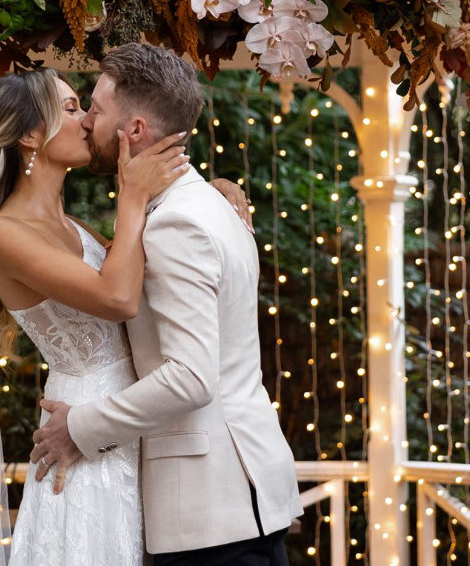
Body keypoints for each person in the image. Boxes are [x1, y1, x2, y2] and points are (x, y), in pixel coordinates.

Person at [0, 66, 252, 566]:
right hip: (79, 435)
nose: (88, 120)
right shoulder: (2, 235)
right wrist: (132, 194)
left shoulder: (73, 225)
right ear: (29, 135)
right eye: (70, 108)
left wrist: (209, 191)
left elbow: (145, 269)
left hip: (124, 427)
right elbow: (118, 298)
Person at [30, 43, 303, 565]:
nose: (87, 120)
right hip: (225, 503)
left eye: (96, 108)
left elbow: (191, 377)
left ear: (134, 130)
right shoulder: (198, 204)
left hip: (213, 507)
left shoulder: (177, 223)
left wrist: (80, 428)